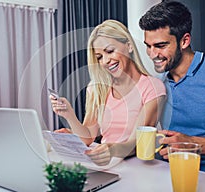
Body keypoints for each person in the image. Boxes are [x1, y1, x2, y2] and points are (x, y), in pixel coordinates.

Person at [139, 1, 205, 182]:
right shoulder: (158, 84)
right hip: (173, 179)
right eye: (148, 46)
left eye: (160, 46)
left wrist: (193, 144)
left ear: (184, 41)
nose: (152, 54)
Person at [50, 19, 166, 166]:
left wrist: (111, 150)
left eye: (110, 51)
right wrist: (69, 115)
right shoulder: (96, 88)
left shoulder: (152, 87)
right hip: (105, 163)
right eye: (99, 57)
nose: (105, 61)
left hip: (138, 166)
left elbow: (136, 143)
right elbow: (88, 137)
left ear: (129, 46)